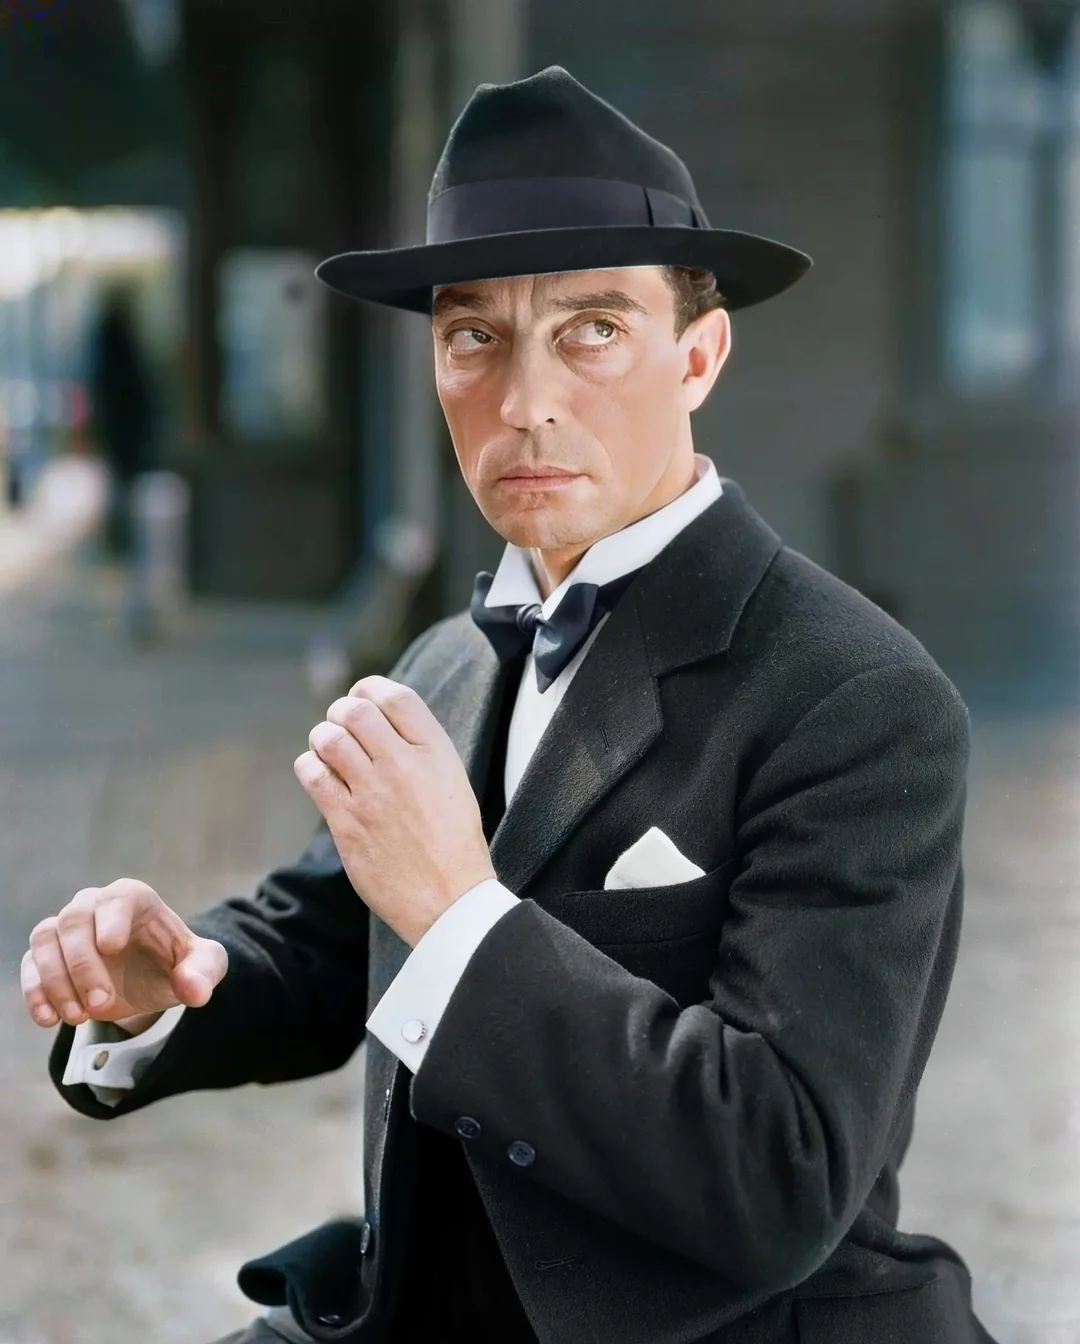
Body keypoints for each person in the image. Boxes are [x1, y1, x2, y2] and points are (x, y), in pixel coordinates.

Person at [21, 67, 1000, 1344]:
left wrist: (458, 913)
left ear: (699, 356)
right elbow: (323, 940)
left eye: (593, 328)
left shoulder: (857, 698)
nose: (525, 401)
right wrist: (158, 993)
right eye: (473, 336)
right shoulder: (446, 658)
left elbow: (781, 1173)